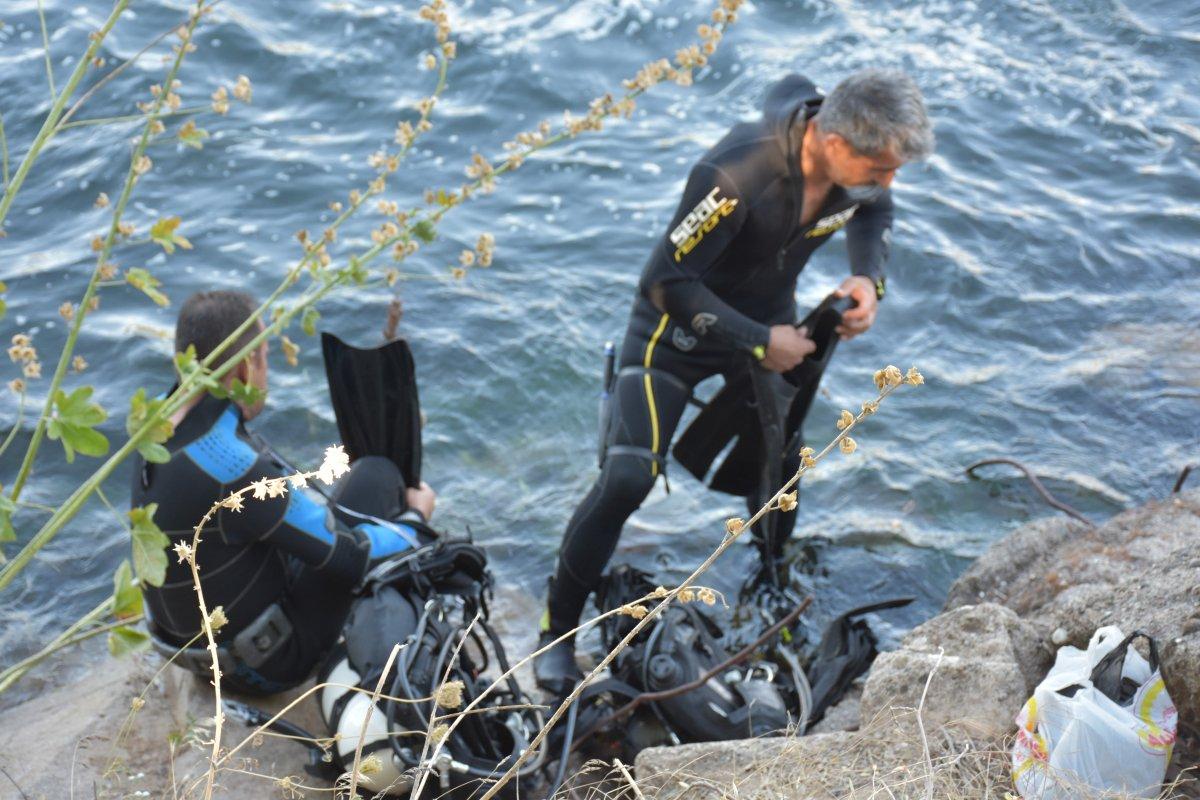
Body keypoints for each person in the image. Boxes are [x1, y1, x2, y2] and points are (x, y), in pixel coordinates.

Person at [534, 69, 935, 692]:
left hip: (768, 331)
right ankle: (554, 632)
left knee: (779, 470)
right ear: (835, 141)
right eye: (881, 166)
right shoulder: (735, 175)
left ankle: (772, 583)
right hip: (676, 337)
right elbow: (663, 282)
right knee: (627, 477)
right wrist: (758, 340)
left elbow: (874, 208)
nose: (889, 182)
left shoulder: (856, 174)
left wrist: (866, 280)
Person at [132, 290, 437, 694]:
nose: (266, 372)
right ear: (245, 367)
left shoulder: (151, 421)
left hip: (193, 657)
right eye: (266, 357)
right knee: (377, 477)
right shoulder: (235, 468)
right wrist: (416, 521)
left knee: (340, 500)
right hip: (265, 666)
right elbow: (350, 557)